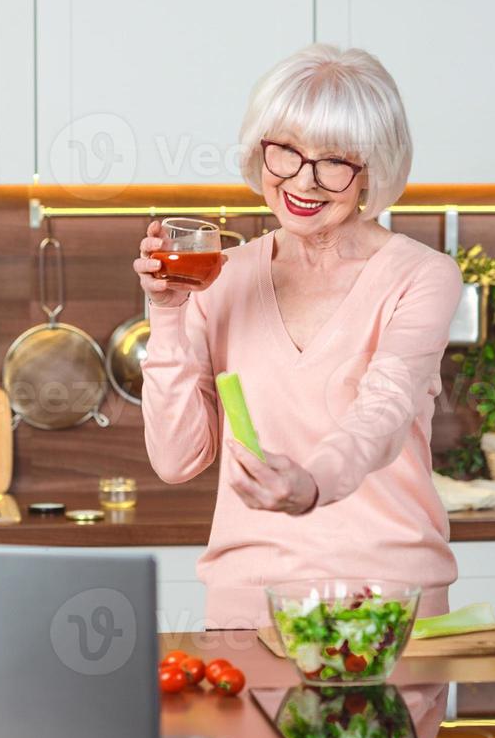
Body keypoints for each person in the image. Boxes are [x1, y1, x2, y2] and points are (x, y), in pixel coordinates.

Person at [135, 43, 463, 629]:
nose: (303, 181)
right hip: (248, 606)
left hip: (389, 604)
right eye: (285, 151)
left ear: (374, 170)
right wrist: (166, 313)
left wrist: (311, 485)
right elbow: (177, 460)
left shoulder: (423, 276)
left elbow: (384, 408)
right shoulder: (223, 274)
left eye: (335, 161)